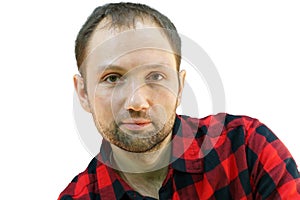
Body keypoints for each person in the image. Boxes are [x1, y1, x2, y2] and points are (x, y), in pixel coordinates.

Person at [58, 2, 300, 199]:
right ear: (83, 93)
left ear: (180, 86)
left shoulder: (247, 148)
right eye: (112, 78)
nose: (137, 102)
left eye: (155, 76)